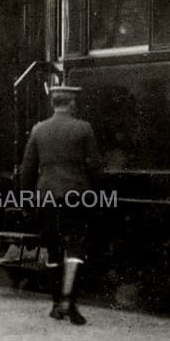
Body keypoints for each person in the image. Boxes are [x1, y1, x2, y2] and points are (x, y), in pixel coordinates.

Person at [21, 83, 101, 325]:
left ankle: (56, 304)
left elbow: (27, 170)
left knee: (54, 251)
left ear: (53, 103)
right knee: (75, 250)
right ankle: (71, 303)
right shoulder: (83, 128)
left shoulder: (38, 130)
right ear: (72, 103)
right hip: (76, 195)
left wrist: (26, 200)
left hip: (46, 195)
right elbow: (96, 166)